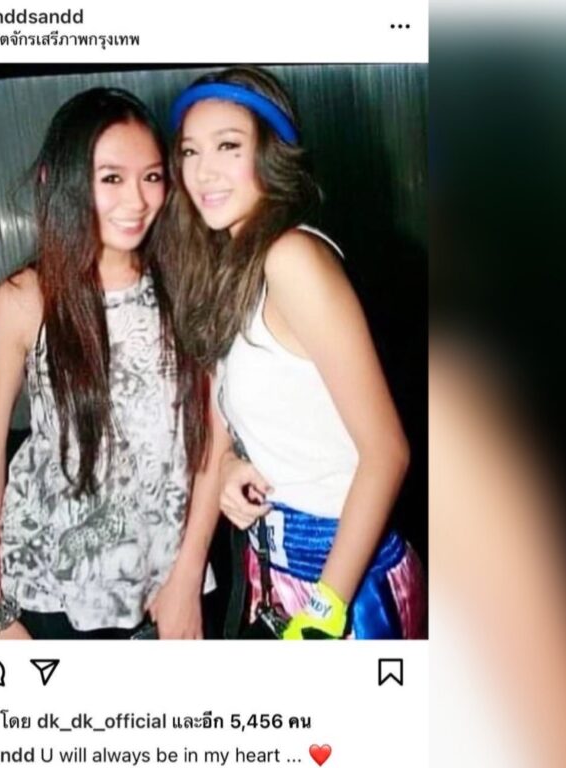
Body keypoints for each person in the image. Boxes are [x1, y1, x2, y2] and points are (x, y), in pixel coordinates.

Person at [158, 66, 425, 639]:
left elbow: (387, 452)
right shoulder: (231, 270)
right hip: (277, 567)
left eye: (228, 146)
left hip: (348, 581)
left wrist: (327, 611)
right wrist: (229, 467)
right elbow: (229, 425)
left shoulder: (293, 259)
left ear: (270, 153)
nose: (203, 170)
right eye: (190, 151)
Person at [0, 88, 221, 640]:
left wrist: (188, 574)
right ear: (61, 182)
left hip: (168, 582)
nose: (137, 200)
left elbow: (211, 438)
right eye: (111, 178)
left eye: (151, 177)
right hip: (50, 591)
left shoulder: (187, 288)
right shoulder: (24, 301)